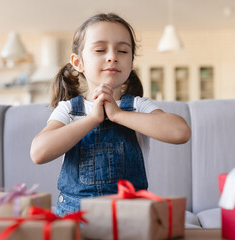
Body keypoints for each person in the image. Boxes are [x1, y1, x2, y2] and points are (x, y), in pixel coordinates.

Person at [30, 13, 191, 216]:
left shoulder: (138, 106)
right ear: (78, 62)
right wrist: (92, 120)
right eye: (100, 49)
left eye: (122, 51)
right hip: (76, 216)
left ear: (131, 63)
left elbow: (181, 132)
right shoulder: (68, 110)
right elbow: (38, 153)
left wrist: (117, 115)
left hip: (131, 215)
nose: (112, 56)